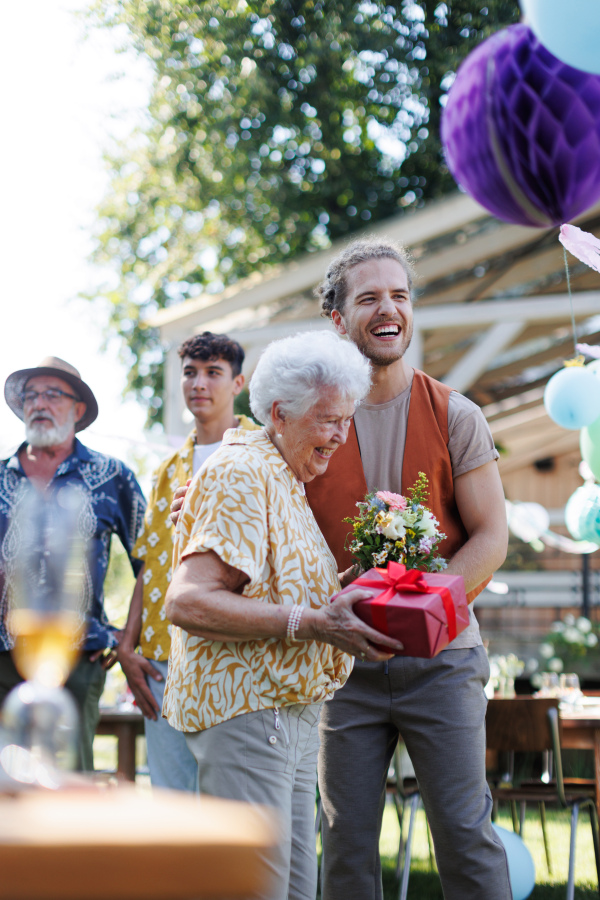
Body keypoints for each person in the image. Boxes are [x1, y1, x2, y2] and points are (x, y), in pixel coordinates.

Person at [163, 331, 404, 900]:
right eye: (328, 420)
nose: (340, 436)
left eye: (346, 420)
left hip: (290, 717)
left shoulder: (285, 477)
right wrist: (313, 624)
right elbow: (187, 600)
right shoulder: (244, 472)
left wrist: (360, 585)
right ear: (280, 413)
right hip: (249, 712)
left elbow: (278, 587)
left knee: (294, 892)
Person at [304, 240, 512, 900]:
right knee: (345, 845)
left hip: (444, 660)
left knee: (464, 835)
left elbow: (492, 537)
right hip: (344, 669)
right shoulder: (311, 425)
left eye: (399, 295)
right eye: (368, 298)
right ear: (338, 319)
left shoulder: (456, 413)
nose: (388, 308)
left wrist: (421, 605)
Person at [116, 331, 260, 792]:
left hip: (235, 652)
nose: (199, 383)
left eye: (213, 372)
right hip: (162, 658)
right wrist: (127, 644)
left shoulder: (263, 452)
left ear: (238, 383)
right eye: (190, 372)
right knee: (171, 801)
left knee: (231, 804)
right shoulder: (165, 472)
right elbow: (149, 564)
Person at [0, 356, 145, 770]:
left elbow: (150, 562)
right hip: (1, 656)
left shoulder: (113, 475)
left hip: (80, 655)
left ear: (78, 409)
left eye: (52, 394)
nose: (39, 404)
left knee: (68, 781)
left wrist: (127, 639)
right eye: (31, 395)